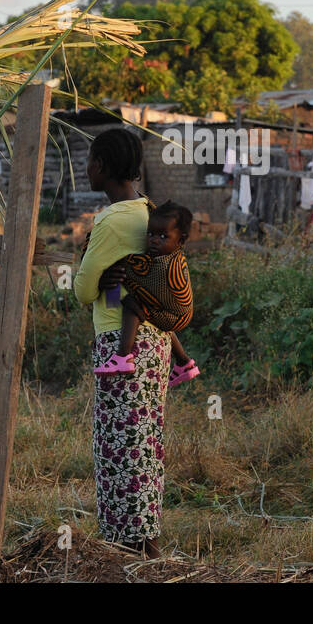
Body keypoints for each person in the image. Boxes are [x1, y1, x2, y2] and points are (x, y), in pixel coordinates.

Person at [72, 128, 170, 559]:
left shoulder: (111, 220)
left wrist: (87, 264)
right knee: (145, 439)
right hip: (156, 342)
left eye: (91, 160)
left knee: (117, 443)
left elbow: (82, 290)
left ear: (104, 167)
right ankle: (145, 536)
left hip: (119, 341)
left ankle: (123, 543)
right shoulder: (149, 210)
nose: (87, 167)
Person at [93, 200, 200, 388]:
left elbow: (135, 273)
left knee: (131, 302)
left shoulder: (166, 266)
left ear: (181, 240)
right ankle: (184, 362)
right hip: (176, 313)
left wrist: (113, 262)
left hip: (176, 316)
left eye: (162, 236)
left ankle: (123, 356)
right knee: (154, 308)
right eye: (150, 234)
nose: (154, 240)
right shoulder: (174, 255)